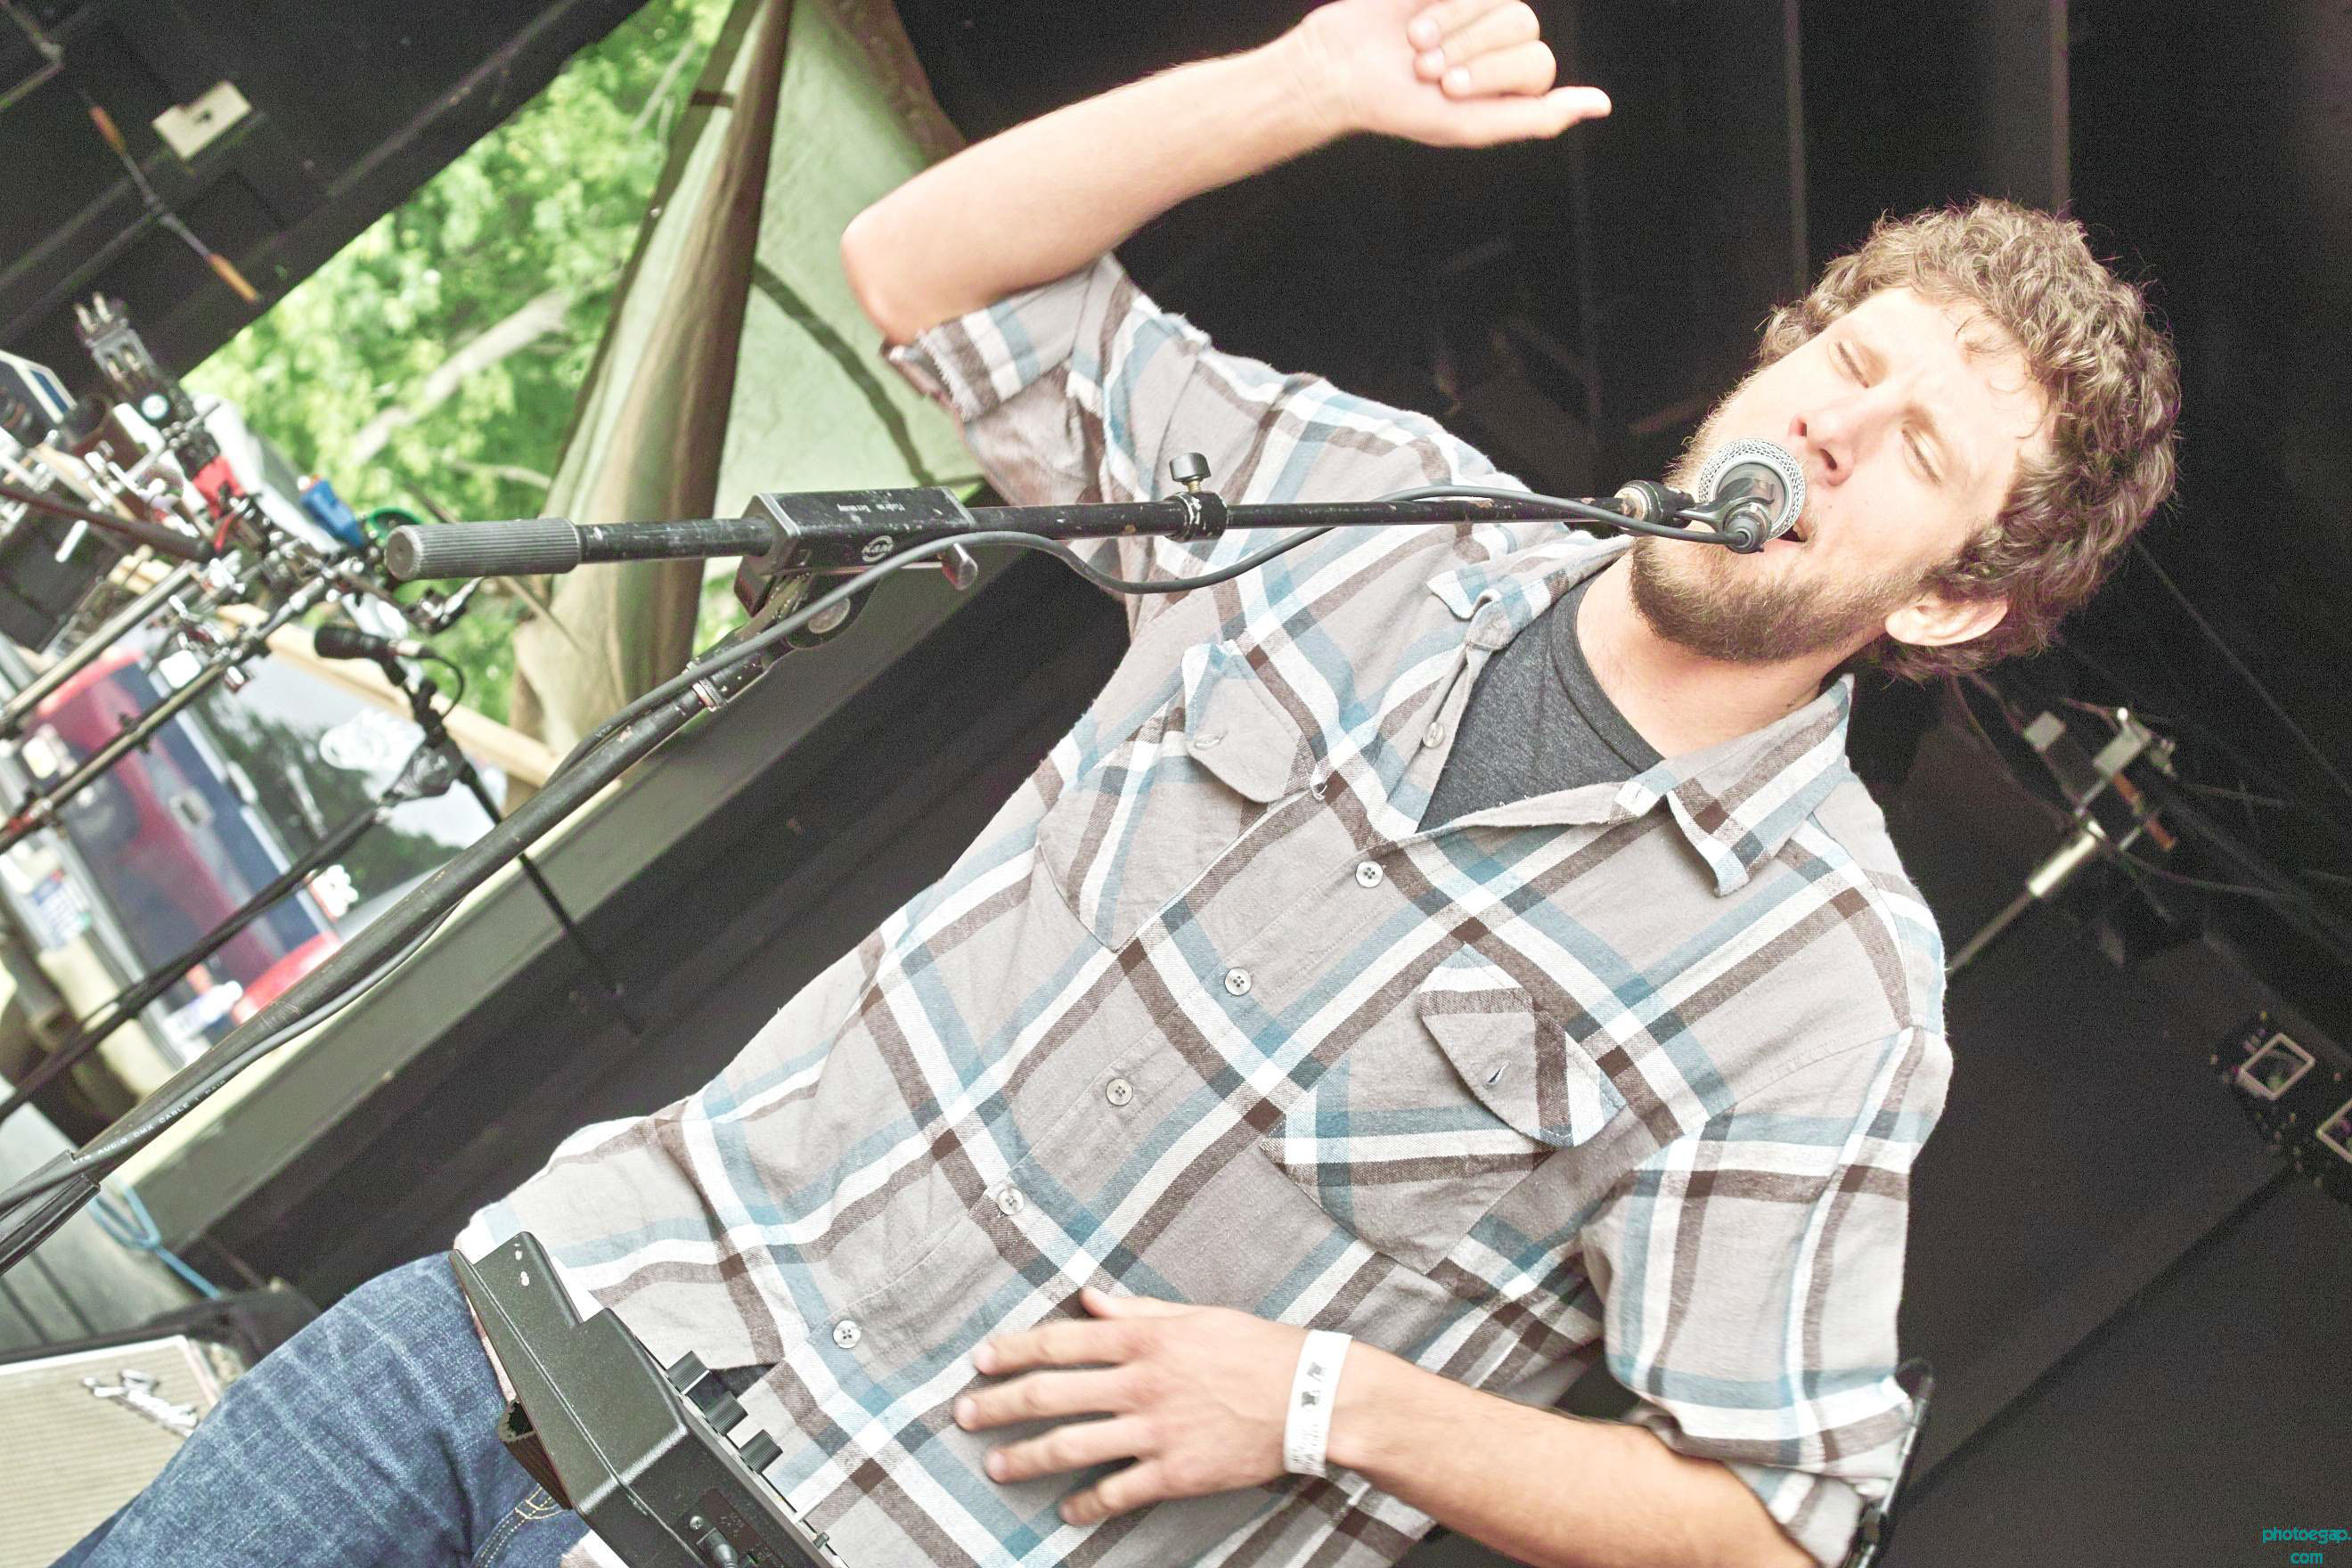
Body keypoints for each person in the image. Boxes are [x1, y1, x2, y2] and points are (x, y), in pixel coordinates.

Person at [55, 3, 2178, 1567]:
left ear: (1952, 602)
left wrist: (1331, 1404)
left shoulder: (1817, 978)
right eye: (1847, 361)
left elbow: (1771, 1519)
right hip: (530, 1320)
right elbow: (929, 276)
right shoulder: (1375, 502)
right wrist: (1304, 81)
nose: (1831, 426)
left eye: (1914, 448)